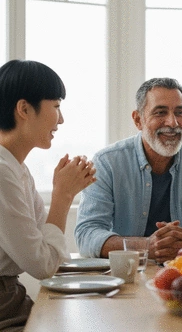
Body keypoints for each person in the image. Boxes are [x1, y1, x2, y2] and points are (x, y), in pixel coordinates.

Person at [75, 77, 182, 264]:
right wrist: (146, 246)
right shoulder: (107, 162)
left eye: (179, 113)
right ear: (138, 120)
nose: (173, 122)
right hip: (126, 274)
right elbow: (87, 233)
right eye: (160, 112)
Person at [0, 60, 96, 330]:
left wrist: (63, 193)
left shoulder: (17, 169)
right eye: (56, 106)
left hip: (12, 299)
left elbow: (53, 257)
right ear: (24, 109)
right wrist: (63, 196)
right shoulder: (2, 172)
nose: (61, 119)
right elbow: (44, 266)